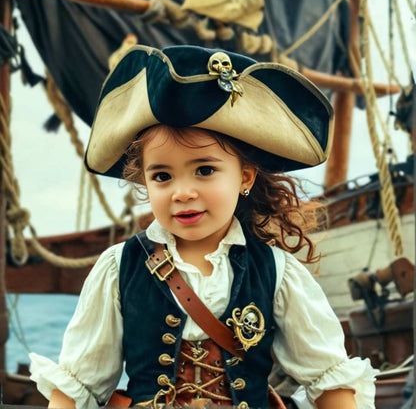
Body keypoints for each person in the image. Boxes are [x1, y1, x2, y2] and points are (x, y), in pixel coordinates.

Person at [29, 45, 377, 409]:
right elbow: (77, 385)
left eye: (205, 170)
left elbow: (329, 380)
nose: (182, 192)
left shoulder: (277, 272)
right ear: (145, 184)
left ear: (244, 176)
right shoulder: (119, 268)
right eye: (162, 176)